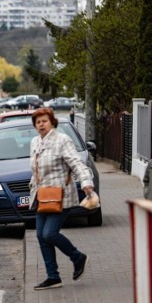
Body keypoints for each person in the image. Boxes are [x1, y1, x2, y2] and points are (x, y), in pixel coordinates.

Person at [29, 108, 96, 290]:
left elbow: (76, 163)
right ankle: (53, 277)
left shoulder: (62, 140)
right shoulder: (35, 142)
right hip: (43, 197)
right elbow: (36, 170)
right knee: (41, 237)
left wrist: (86, 182)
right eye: (38, 122)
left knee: (49, 233)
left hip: (61, 195)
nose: (41, 124)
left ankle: (78, 257)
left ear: (52, 122)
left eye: (44, 121)